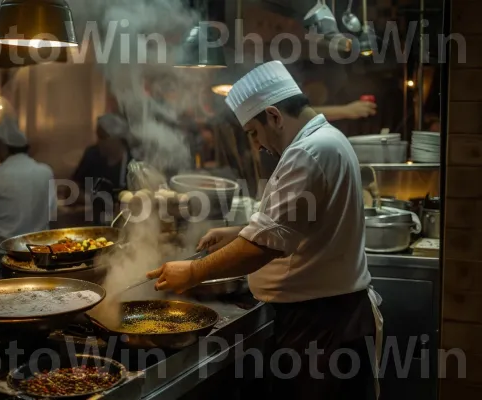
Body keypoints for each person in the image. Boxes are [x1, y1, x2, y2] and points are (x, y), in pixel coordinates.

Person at [148, 61, 382, 400]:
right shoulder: (328, 140)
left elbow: (263, 248)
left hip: (322, 326)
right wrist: (240, 231)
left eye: (253, 133)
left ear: (273, 115)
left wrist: (193, 272)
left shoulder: (307, 152)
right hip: (329, 319)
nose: (257, 146)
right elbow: (299, 222)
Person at [0, 116, 57, 248]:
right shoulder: (46, 172)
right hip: (40, 250)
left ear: (2, 147)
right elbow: (52, 212)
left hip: (4, 250)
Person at [71, 114, 131, 197]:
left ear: (117, 139)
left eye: (102, 137)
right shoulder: (92, 154)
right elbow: (73, 187)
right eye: (98, 136)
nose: (99, 142)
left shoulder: (132, 161)